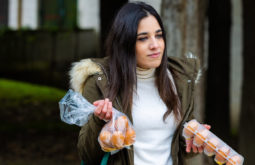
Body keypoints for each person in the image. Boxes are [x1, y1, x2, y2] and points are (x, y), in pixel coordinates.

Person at [69, 1, 210, 165]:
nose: (155, 45)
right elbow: (87, 154)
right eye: (143, 38)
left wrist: (193, 139)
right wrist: (99, 120)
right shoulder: (101, 82)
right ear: (125, 43)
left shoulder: (179, 79)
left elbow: (175, 147)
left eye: (159, 35)